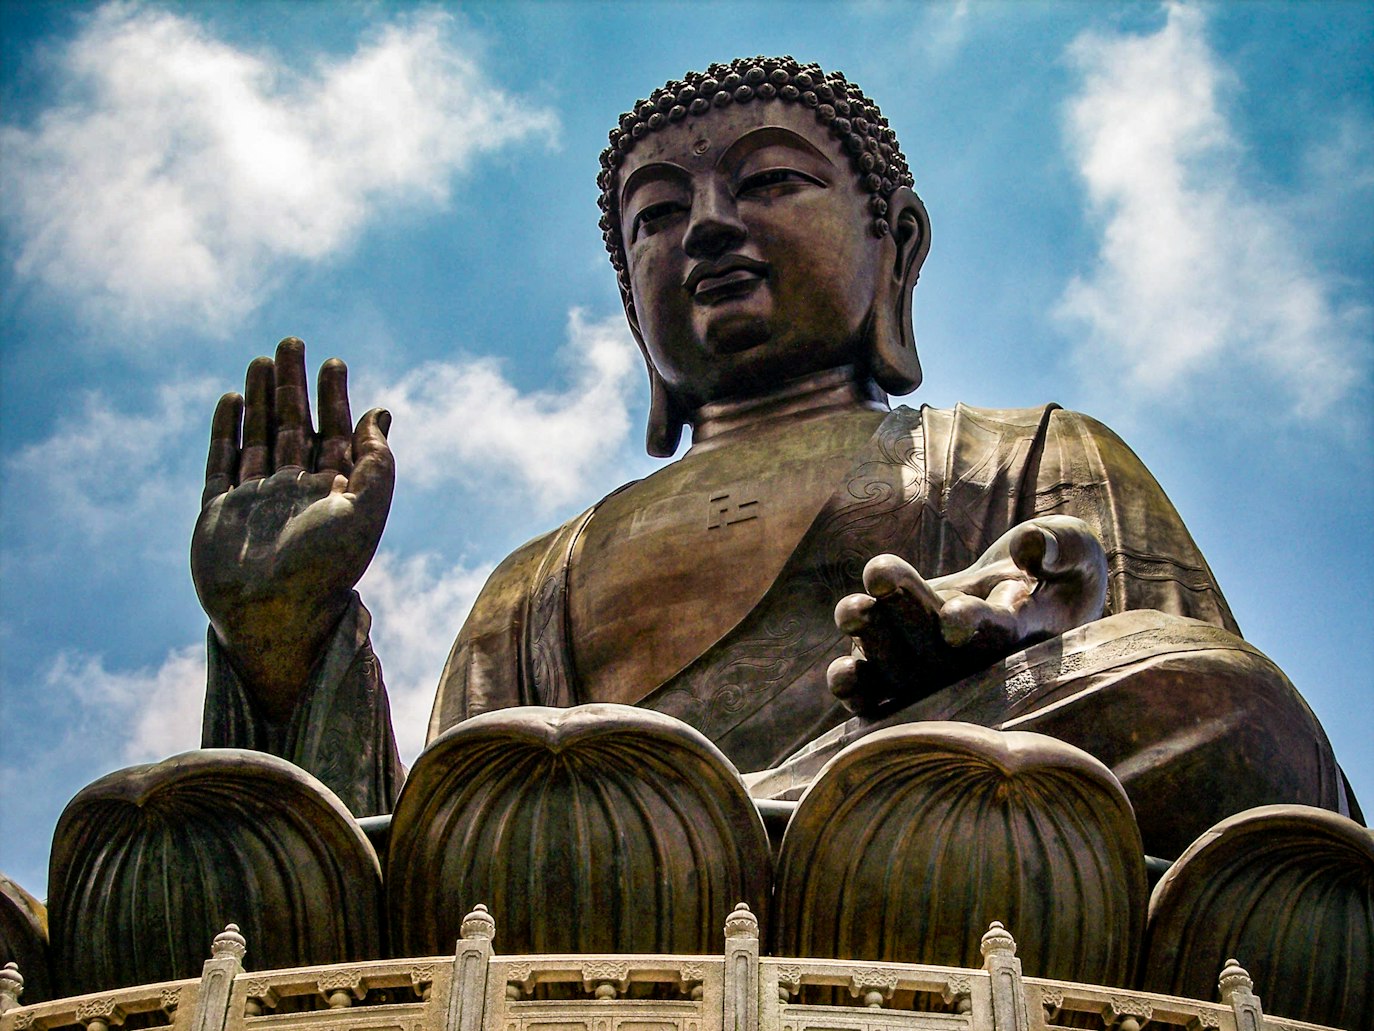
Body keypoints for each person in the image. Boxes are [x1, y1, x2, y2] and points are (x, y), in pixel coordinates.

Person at [192, 57, 1354, 860]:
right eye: (657, 212)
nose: (703, 225)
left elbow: (1229, 757)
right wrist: (281, 644)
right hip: (593, 883)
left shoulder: (1026, 450)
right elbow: (415, 859)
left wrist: (1008, 646)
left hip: (937, 835)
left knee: (1210, 686)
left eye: (768, 180)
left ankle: (751, 827)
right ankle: (738, 833)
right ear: (631, 305)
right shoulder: (534, 578)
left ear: (893, 247)